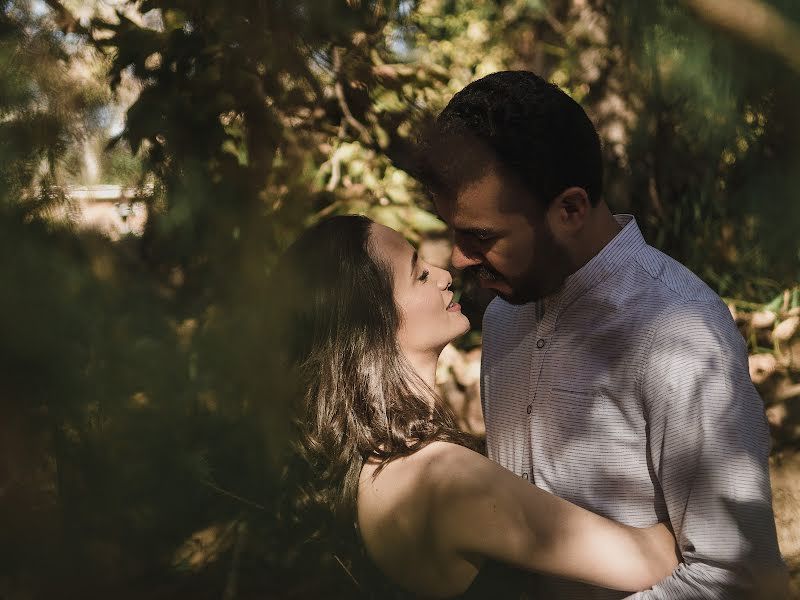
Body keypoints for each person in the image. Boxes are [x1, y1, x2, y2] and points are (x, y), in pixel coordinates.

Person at [417, 70, 787, 598]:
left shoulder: (677, 332)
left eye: (481, 236)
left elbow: (739, 579)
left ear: (570, 209)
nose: (458, 258)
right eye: (455, 231)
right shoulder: (505, 313)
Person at [273, 214, 679, 599]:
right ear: (374, 324)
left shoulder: (374, 465)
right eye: (419, 275)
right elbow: (647, 559)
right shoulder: (445, 479)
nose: (446, 276)